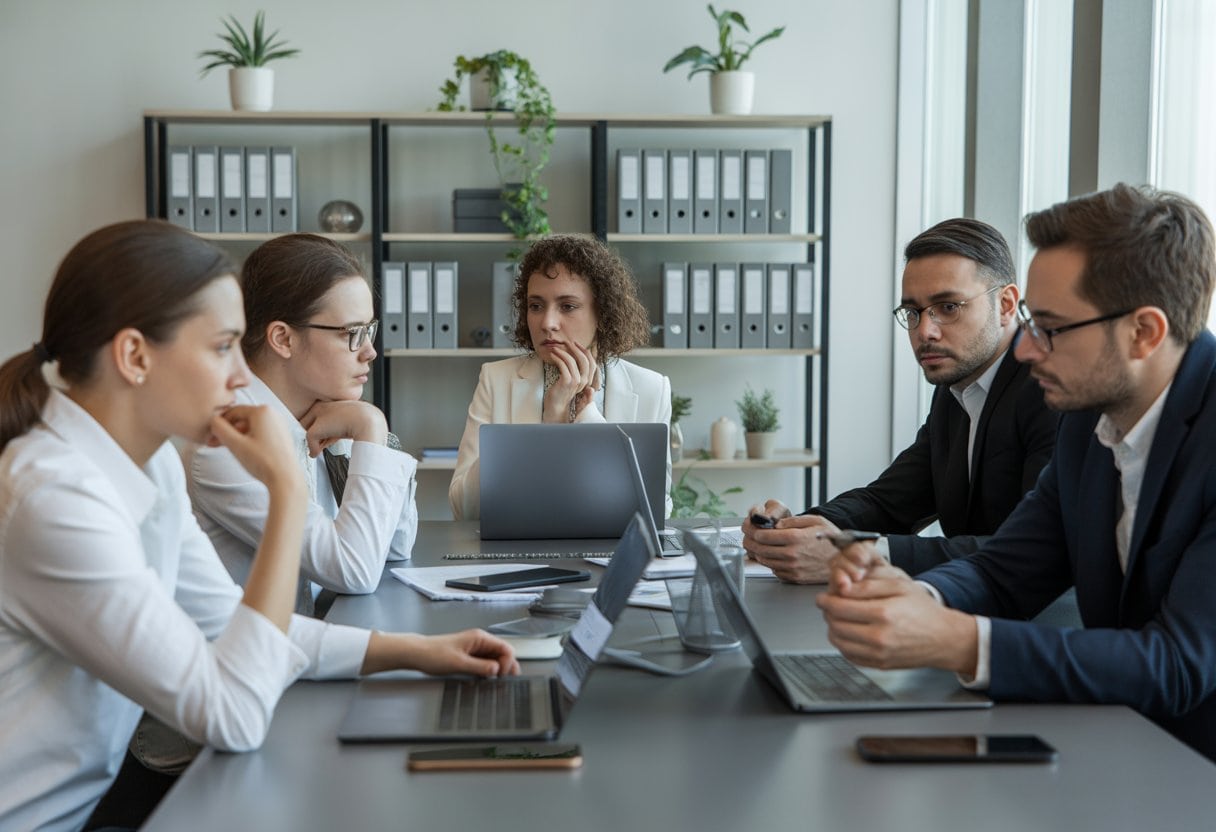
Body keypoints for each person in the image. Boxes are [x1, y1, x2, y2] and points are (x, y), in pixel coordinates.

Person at [0, 221, 517, 831]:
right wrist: (288, 488)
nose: (241, 375)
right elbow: (235, 713)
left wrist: (422, 652)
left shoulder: (154, 463)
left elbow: (240, 627)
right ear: (135, 356)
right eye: (221, 347)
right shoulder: (54, 498)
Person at [818, 184, 1216, 761]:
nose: (1025, 350)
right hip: (1120, 744)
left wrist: (957, 640)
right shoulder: (1087, 420)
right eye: (1030, 321)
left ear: (1144, 333)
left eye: (1050, 327)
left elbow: (1177, 666)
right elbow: (1005, 573)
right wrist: (914, 594)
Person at [744, 218, 1058, 582]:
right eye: (913, 312)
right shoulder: (956, 387)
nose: (925, 331)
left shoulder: (1049, 390)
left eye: (949, 307)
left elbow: (1030, 549)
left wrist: (856, 553)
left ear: (1006, 305)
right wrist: (795, 530)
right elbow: (889, 501)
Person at [185, 234, 417, 616]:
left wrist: (358, 441)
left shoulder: (321, 412)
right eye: (352, 334)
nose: (370, 351)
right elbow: (353, 571)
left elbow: (396, 545)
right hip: (256, 664)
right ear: (283, 339)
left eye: (370, 330)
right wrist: (371, 428)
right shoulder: (229, 441)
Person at [449, 234, 672, 520]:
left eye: (567, 306)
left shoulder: (651, 388)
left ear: (602, 313)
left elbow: (655, 509)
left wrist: (586, 414)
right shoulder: (496, 379)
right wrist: (549, 422)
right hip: (519, 553)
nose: (547, 323)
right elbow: (463, 509)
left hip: (611, 556)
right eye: (536, 306)